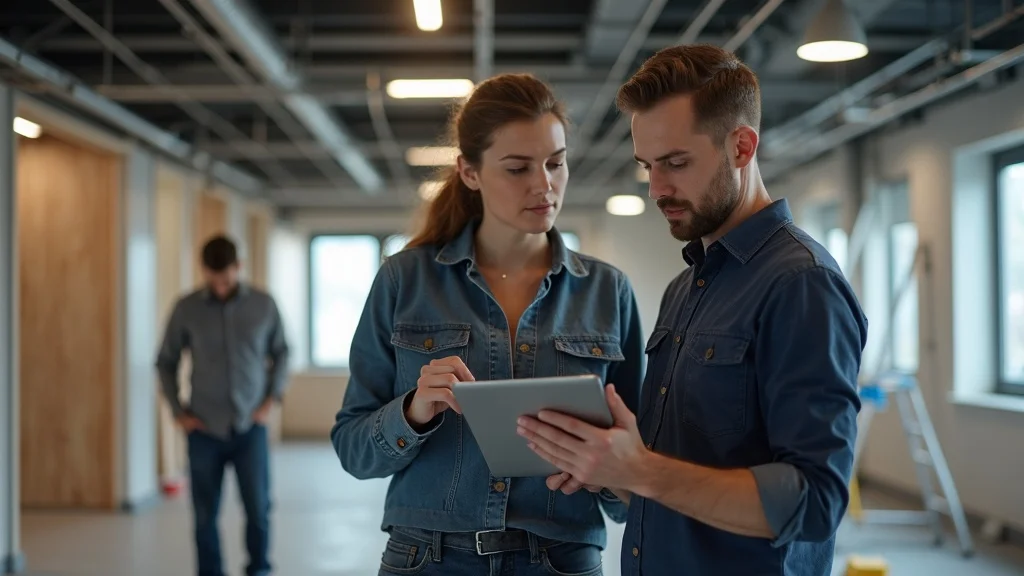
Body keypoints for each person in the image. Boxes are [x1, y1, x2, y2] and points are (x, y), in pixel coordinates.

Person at [516, 44, 869, 576]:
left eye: (677, 163)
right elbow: (679, 480)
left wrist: (644, 471)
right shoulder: (686, 288)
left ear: (742, 147)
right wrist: (613, 469)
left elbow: (814, 502)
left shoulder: (802, 284)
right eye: (647, 166)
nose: (657, 188)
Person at [330, 73, 645, 576]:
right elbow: (353, 449)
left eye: (556, 163)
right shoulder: (403, 281)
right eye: (517, 168)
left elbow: (633, 480)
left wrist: (605, 469)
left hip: (561, 559)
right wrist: (412, 411)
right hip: (427, 558)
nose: (544, 185)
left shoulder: (609, 291)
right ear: (469, 172)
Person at [156, 235, 290, 576]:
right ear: (204, 271)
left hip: (250, 426)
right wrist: (178, 410)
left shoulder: (263, 304)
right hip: (203, 428)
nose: (219, 288)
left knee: (258, 509)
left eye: (226, 280)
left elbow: (282, 352)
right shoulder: (186, 308)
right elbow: (165, 361)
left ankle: (258, 569)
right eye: (212, 280)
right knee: (204, 515)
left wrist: (271, 399)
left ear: (238, 268)